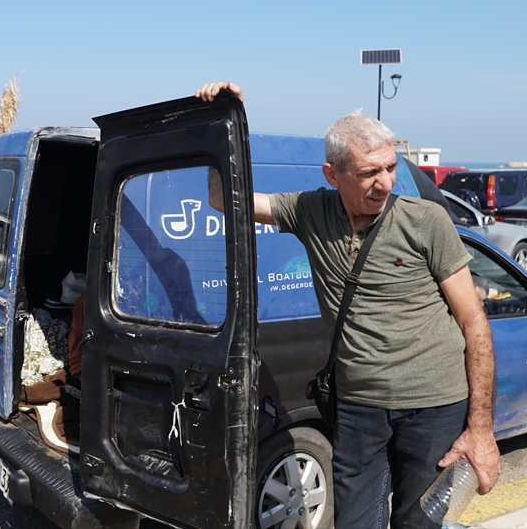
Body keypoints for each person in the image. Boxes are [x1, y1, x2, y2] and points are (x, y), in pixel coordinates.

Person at [196, 82, 500, 529]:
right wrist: (221, 123)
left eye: (390, 167)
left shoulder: (426, 221)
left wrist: (481, 431)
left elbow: (474, 322)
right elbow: (224, 200)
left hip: (434, 406)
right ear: (332, 174)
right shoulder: (310, 212)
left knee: (419, 524)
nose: (385, 183)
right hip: (358, 407)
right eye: (369, 172)